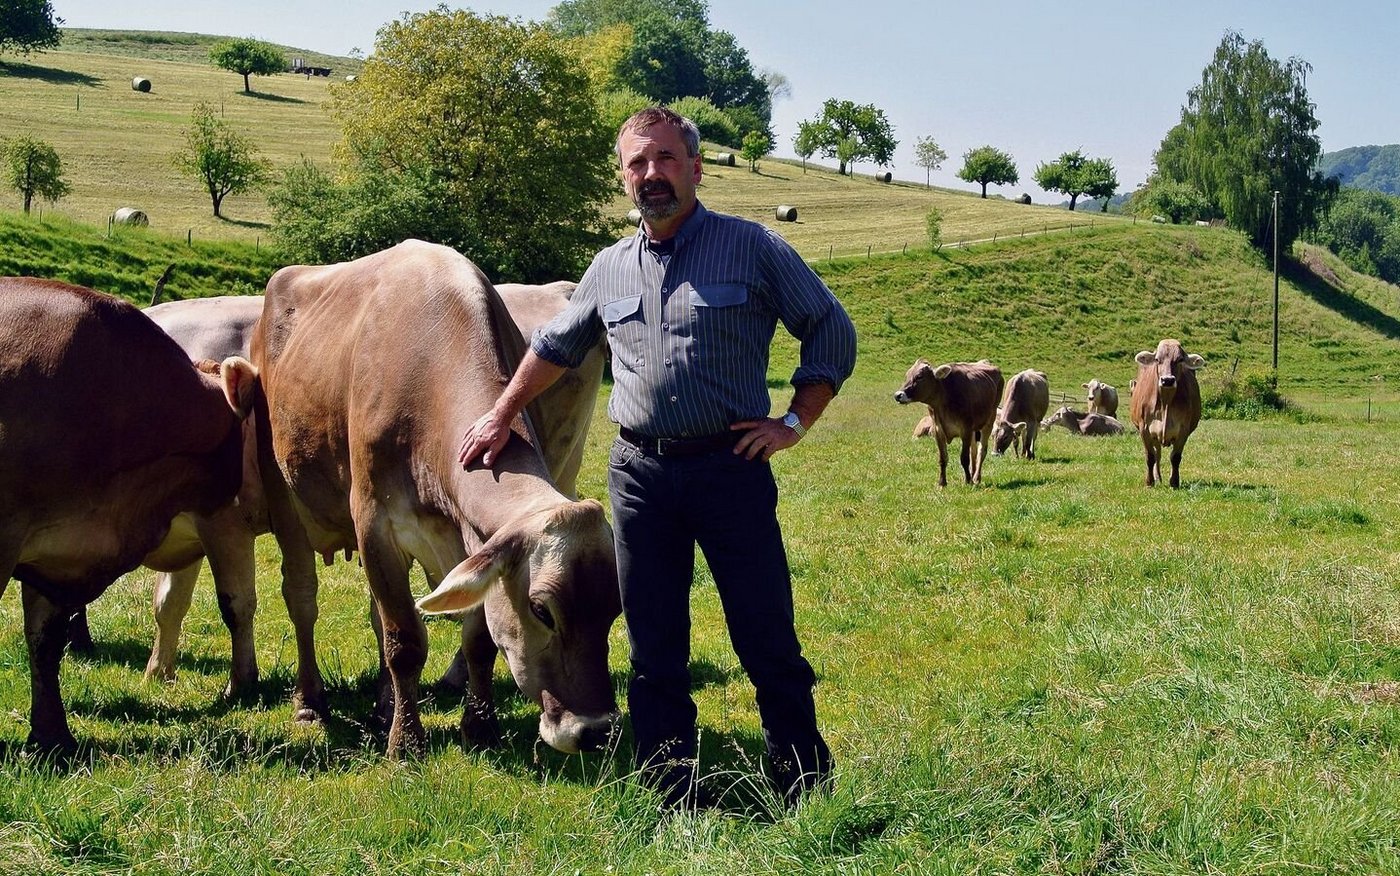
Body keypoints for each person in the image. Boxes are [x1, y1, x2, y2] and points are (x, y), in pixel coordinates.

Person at [458, 107, 857, 807]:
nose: (652, 175)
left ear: (695, 168)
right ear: (624, 177)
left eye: (666, 160)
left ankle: (802, 783)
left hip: (730, 467)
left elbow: (829, 326)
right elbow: (556, 345)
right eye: (637, 164)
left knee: (765, 634)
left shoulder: (751, 248)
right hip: (640, 476)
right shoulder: (610, 267)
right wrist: (501, 412)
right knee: (652, 644)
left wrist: (794, 421)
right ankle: (670, 786)